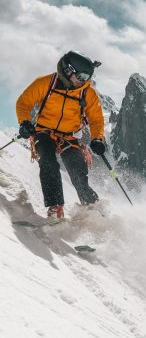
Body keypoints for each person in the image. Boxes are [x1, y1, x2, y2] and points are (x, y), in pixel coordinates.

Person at [16, 51, 107, 219]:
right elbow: (24, 103)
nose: (84, 81)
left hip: (69, 137)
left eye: (87, 77)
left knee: (78, 171)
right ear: (68, 70)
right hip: (44, 131)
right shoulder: (45, 83)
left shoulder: (87, 93)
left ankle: (94, 211)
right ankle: (55, 207)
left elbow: (96, 119)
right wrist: (24, 122)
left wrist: (98, 138)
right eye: (81, 76)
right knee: (48, 162)